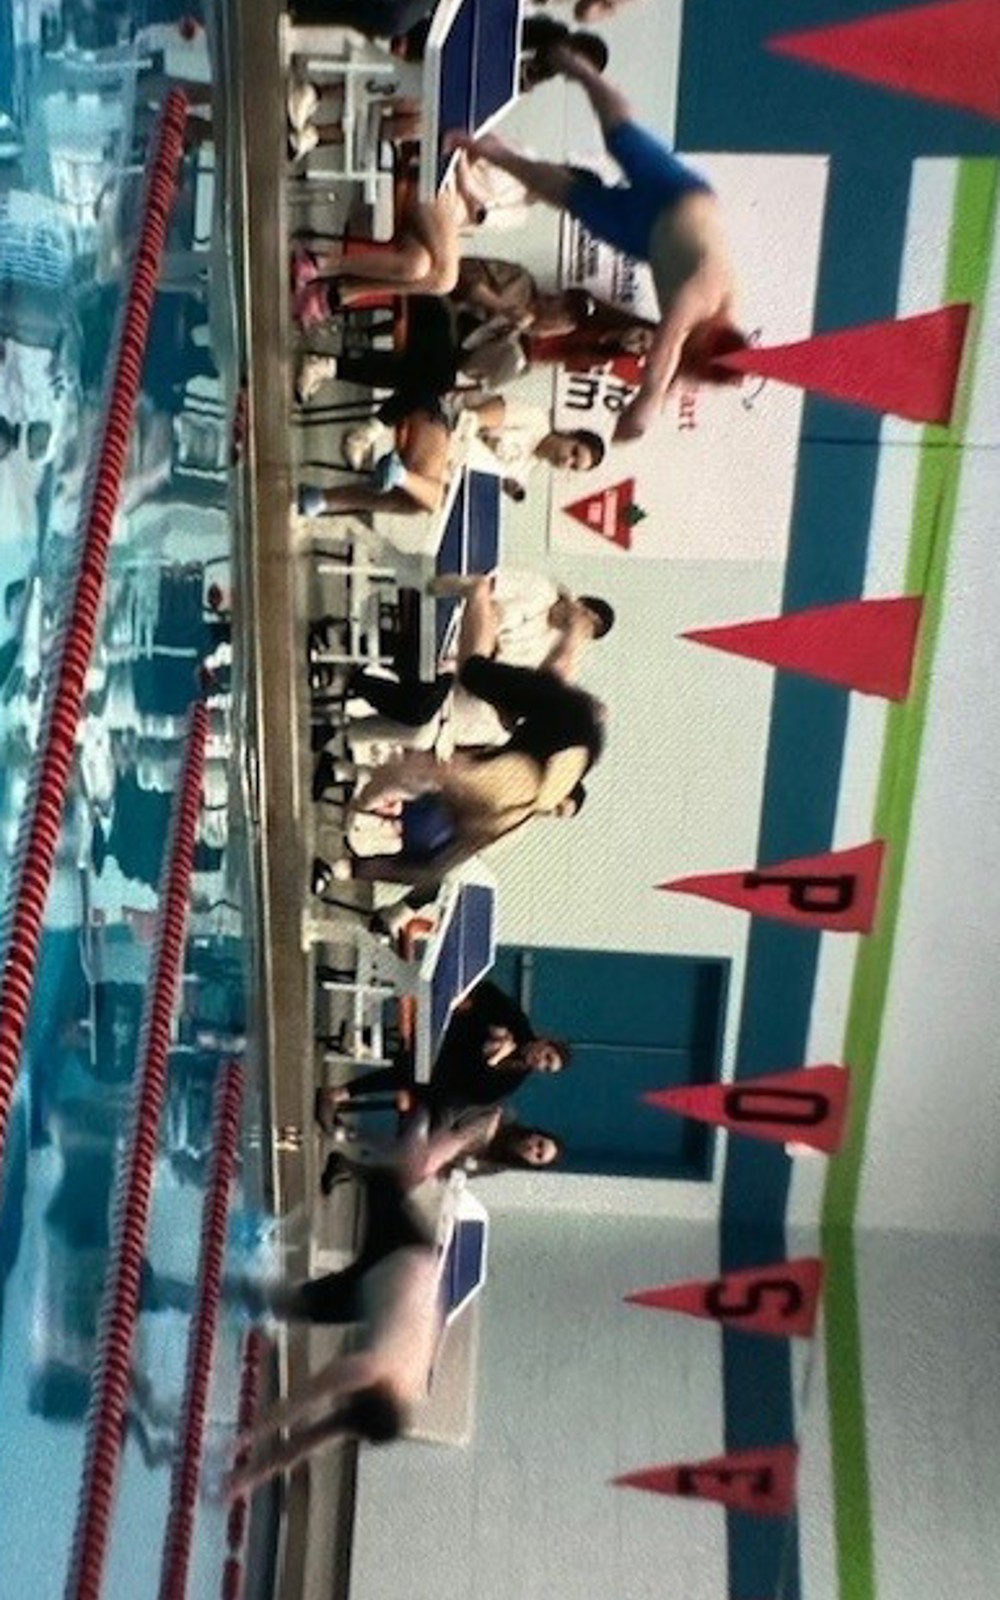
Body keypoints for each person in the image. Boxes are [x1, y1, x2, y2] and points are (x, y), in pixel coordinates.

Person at [447, 44, 748, 442]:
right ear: (708, 336)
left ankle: (493, 152)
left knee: (565, 195)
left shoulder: (711, 327)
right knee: (620, 138)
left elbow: (676, 367)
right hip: (678, 196)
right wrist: (644, 406)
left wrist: (663, 396)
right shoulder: (701, 298)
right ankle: (586, 73)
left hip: (646, 238)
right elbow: (667, 351)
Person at [315, 581, 607, 889]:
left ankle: (343, 867)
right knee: (473, 672)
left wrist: (354, 861)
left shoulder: (501, 816)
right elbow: (423, 772)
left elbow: (432, 866)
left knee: (434, 864)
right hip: (563, 721)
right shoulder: (496, 792)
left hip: (573, 738)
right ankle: (479, 592)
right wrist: (364, 800)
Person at [312, 573, 613, 781]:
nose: (581, 624)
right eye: (586, 616)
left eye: (590, 630)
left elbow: (512, 681)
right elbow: (487, 600)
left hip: (459, 668)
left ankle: (343, 698)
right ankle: (344, 668)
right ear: (579, 602)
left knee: (421, 719)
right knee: (420, 702)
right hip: (447, 618)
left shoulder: (547, 649)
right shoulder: (540, 591)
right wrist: (488, 646)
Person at [316, 977, 571, 1127]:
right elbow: (482, 991)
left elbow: (474, 1093)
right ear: (545, 1042)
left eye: (546, 1068)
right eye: (547, 1056)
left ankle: (339, 1091)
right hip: (441, 1024)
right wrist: (492, 1029)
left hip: (439, 1067)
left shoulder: (512, 1077)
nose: (540, 1063)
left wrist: (491, 1059)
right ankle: (344, 1079)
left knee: (421, 1077)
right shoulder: (517, 1021)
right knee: (418, 1069)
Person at [296, 399, 603, 519]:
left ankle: (396, 475)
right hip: (439, 420)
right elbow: (478, 417)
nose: (568, 461)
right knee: (425, 498)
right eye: (575, 452)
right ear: (570, 435)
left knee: (419, 503)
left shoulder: (524, 473)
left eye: (574, 466)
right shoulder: (534, 418)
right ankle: (325, 499)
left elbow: (474, 487)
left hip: (442, 467)